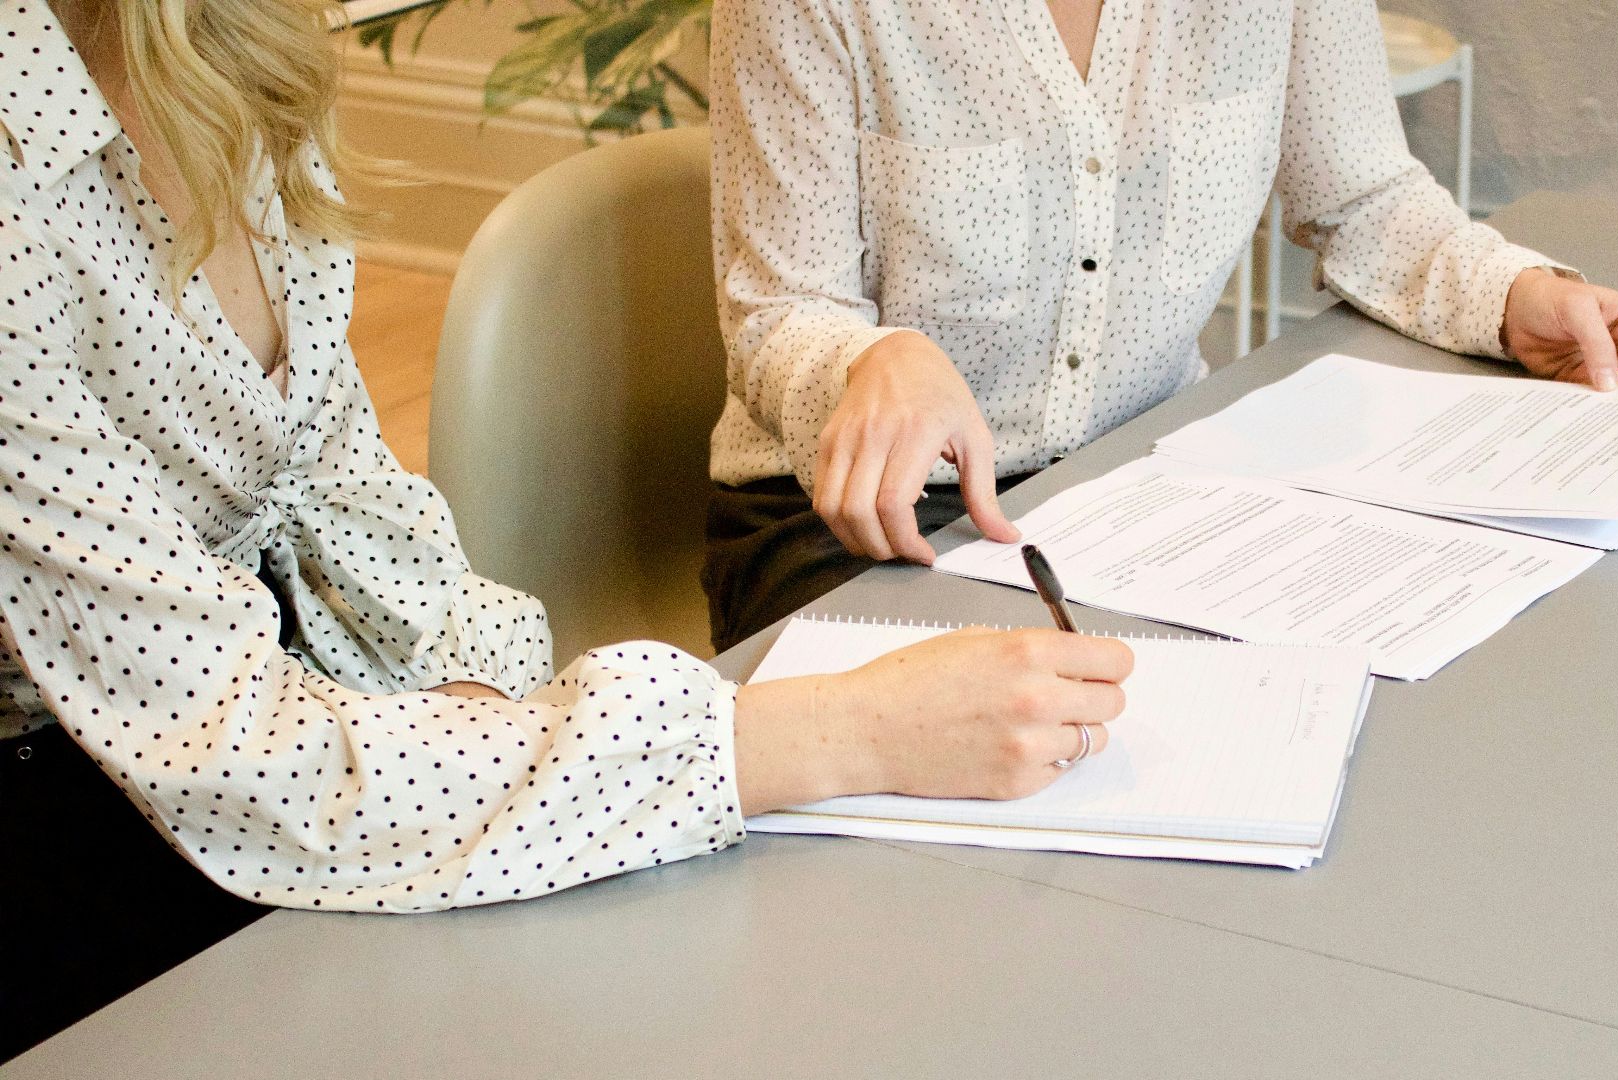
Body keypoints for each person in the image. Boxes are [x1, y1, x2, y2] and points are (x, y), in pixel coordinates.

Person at [0, 0, 1130, 1060]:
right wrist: (842, 734)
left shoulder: (234, 51)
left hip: (280, 723)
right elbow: (239, 756)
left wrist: (482, 705)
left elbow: (343, 494)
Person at [703, 0, 1618, 652]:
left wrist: (1515, 294)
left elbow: (1362, 197)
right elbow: (779, 311)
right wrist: (872, 361)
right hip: (857, 520)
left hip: (1137, 491)